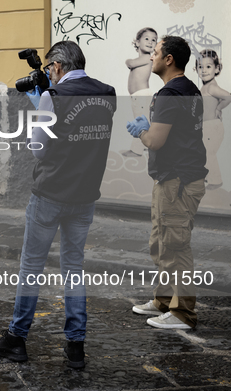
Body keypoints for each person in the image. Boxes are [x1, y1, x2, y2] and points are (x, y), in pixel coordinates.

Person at [0, 41, 116, 368]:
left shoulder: (52, 97)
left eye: (48, 70)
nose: (48, 75)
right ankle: (75, 347)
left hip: (50, 194)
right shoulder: (108, 94)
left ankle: (17, 338)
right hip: (85, 196)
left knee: (31, 266)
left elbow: (39, 149)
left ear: (58, 66)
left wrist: (41, 104)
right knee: (74, 268)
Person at [127, 36, 208, 330]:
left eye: (157, 52)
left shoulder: (170, 94)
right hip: (173, 180)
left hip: (178, 182)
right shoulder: (189, 89)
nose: (152, 57)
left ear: (169, 59)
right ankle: (163, 301)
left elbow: (156, 142)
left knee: (176, 247)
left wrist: (141, 131)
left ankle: (182, 313)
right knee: (161, 244)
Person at [195, 49, 231, 190]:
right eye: (200, 66)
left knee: (209, 153)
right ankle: (207, 177)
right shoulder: (205, 86)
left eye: (208, 67)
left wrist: (219, 108)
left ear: (217, 69)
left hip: (212, 127)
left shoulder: (211, 87)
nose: (204, 70)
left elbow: (228, 96)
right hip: (207, 127)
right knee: (203, 153)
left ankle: (216, 181)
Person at [124, 27, 158, 157]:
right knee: (142, 120)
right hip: (138, 96)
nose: (150, 42)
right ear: (137, 43)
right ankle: (145, 148)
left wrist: (127, 61)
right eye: (147, 39)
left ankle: (136, 150)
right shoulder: (143, 59)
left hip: (142, 95)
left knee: (141, 121)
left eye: (153, 40)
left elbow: (130, 63)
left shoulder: (147, 58)